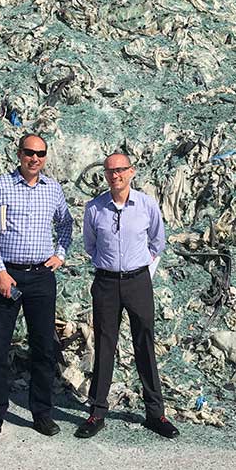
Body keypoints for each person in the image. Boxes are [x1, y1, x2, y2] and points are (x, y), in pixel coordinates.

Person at [0, 133, 74, 444]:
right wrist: (0, 271)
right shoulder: (1, 186)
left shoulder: (53, 189)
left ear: (46, 157)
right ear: (19, 154)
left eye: (41, 153)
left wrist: (60, 254)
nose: (35, 158)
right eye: (29, 152)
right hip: (8, 276)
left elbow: (66, 224)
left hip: (42, 278)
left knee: (44, 347)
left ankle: (41, 412)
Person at [75, 152, 179, 439]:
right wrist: (111, 266)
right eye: (110, 171)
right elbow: (90, 245)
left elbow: (158, 241)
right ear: (105, 175)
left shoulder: (146, 205)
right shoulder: (95, 208)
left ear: (131, 172)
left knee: (144, 344)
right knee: (104, 345)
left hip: (138, 282)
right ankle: (97, 412)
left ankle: (156, 413)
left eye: (121, 170)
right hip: (106, 284)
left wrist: (139, 268)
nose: (115, 175)